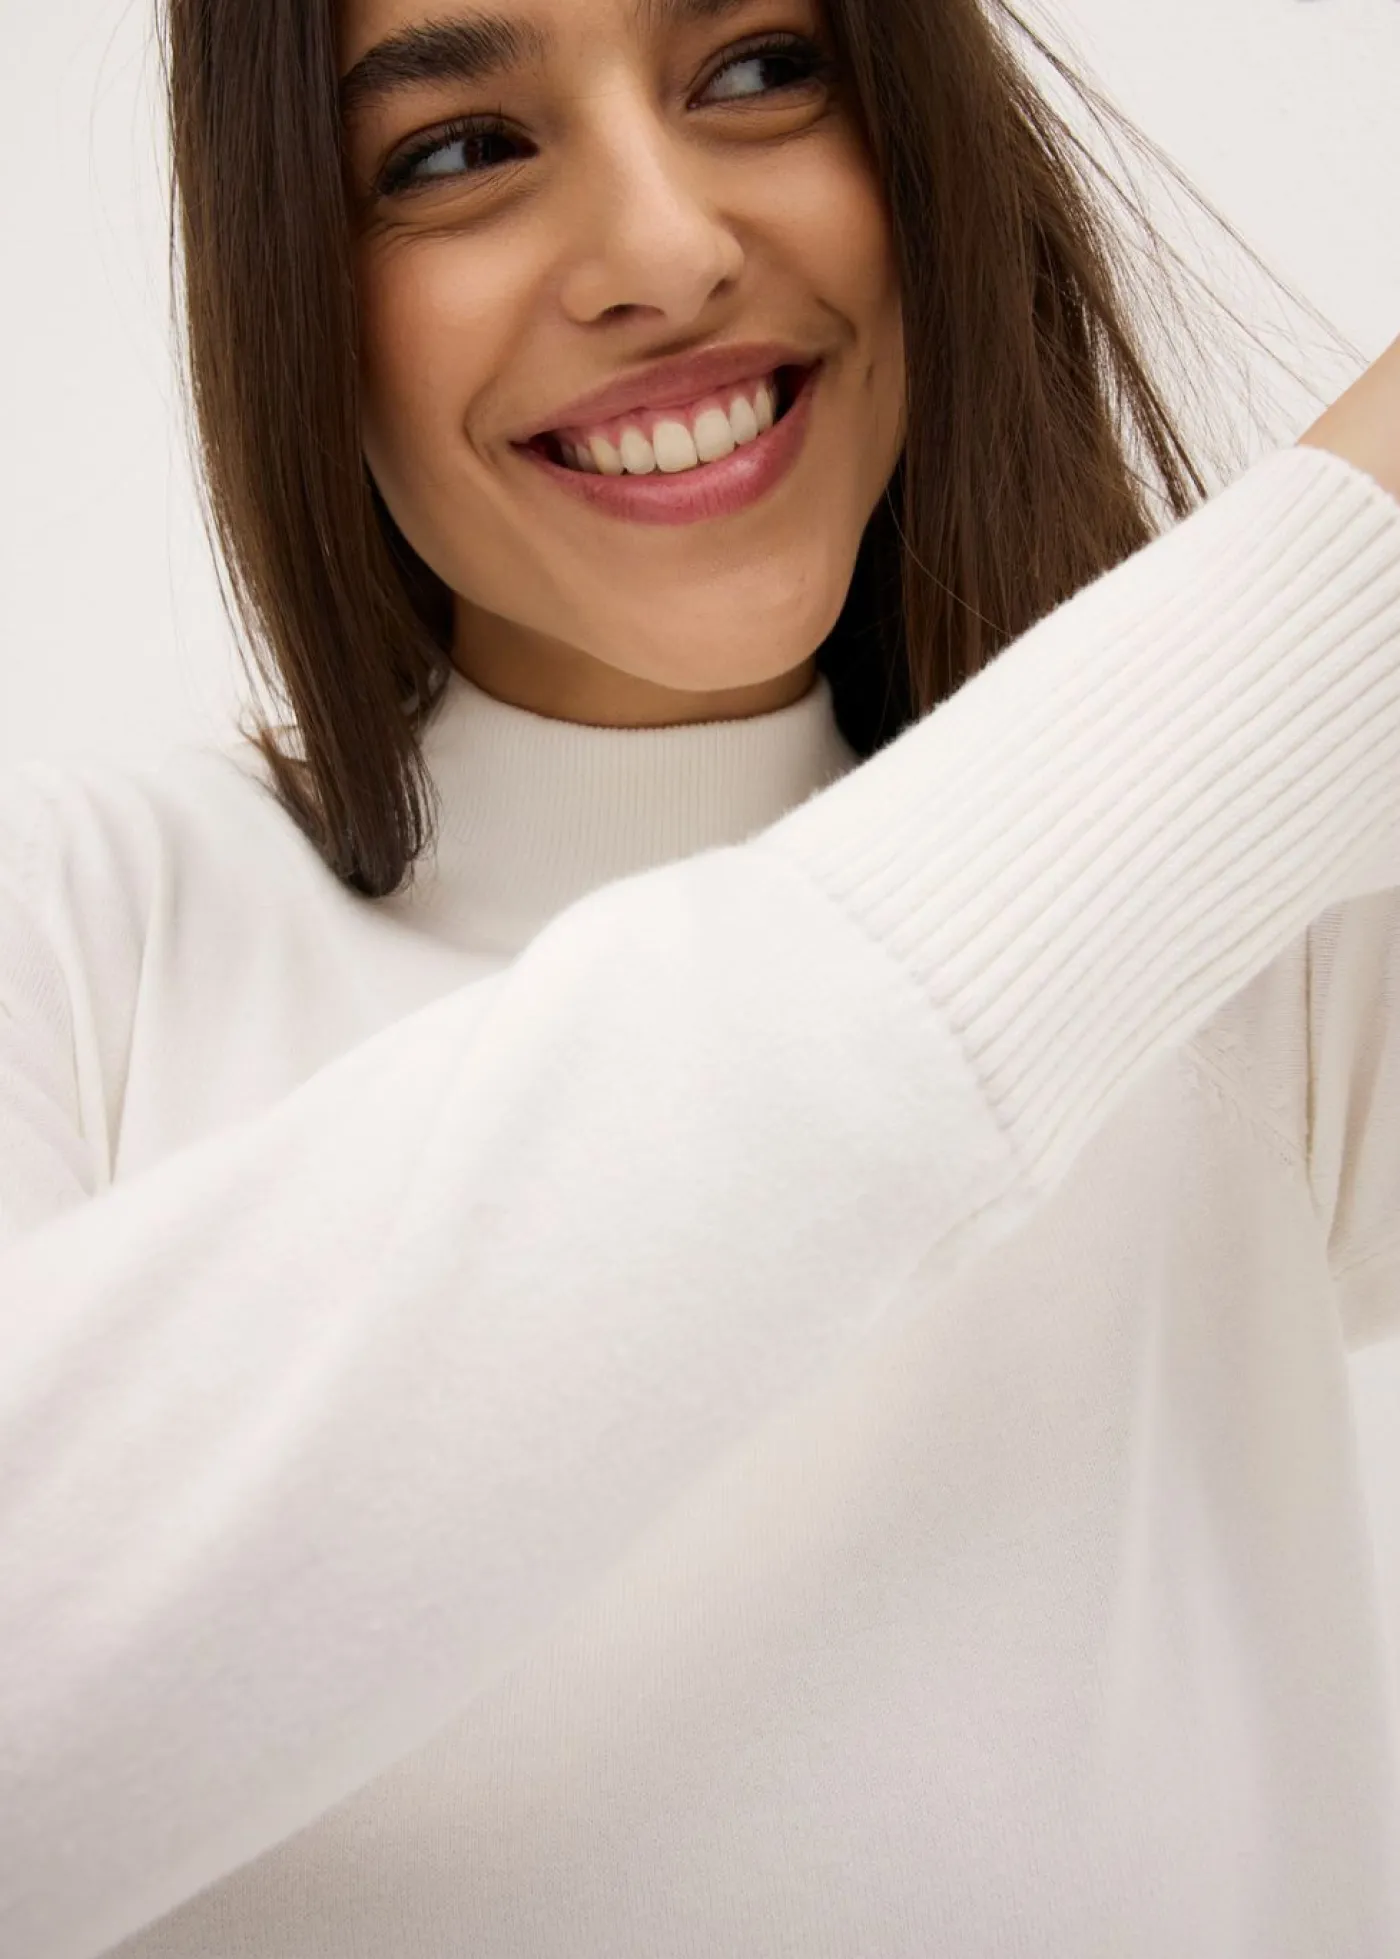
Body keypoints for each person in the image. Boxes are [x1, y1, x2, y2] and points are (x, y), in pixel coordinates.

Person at [2, 0, 1398, 1951]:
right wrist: (1316, 597)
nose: (663, 255)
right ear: (290, 275)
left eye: (756, 69)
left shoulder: (1284, 952)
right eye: (458, 152)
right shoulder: (80, 928)